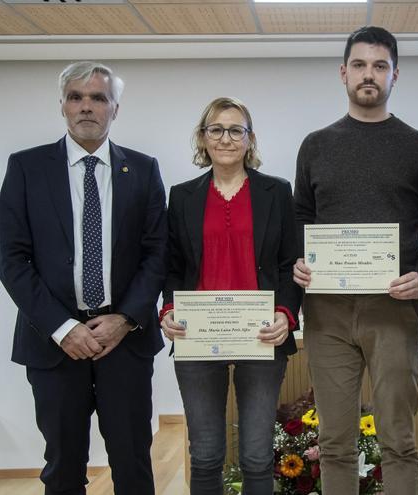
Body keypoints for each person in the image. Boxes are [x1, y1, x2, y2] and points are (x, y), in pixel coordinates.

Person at [0, 61, 166, 495]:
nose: (86, 106)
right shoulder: (26, 168)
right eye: (76, 97)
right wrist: (63, 327)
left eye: (98, 98)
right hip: (53, 346)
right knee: (62, 466)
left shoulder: (143, 170)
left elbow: (157, 254)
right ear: (63, 107)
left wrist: (125, 319)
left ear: (115, 109)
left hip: (124, 344)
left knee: (132, 463)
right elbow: (12, 260)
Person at [292, 26, 418, 495]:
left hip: (394, 312)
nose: (369, 74)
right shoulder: (315, 145)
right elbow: (302, 217)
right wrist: (300, 261)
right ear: (343, 73)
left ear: (395, 74)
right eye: (359, 65)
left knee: (398, 439)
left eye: (380, 66)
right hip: (327, 315)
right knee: (334, 441)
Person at [159, 97, 300, 494]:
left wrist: (285, 314)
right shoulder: (182, 196)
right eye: (216, 129)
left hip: (262, 338)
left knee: (257, 455)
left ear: (249, 139)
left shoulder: (276, 191)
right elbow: (172, 266)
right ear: (202, 138)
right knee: (204, 455)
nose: (225, 138)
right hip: (198, 339)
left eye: (236, 130)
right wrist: (168, 308)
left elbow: (290, 261)